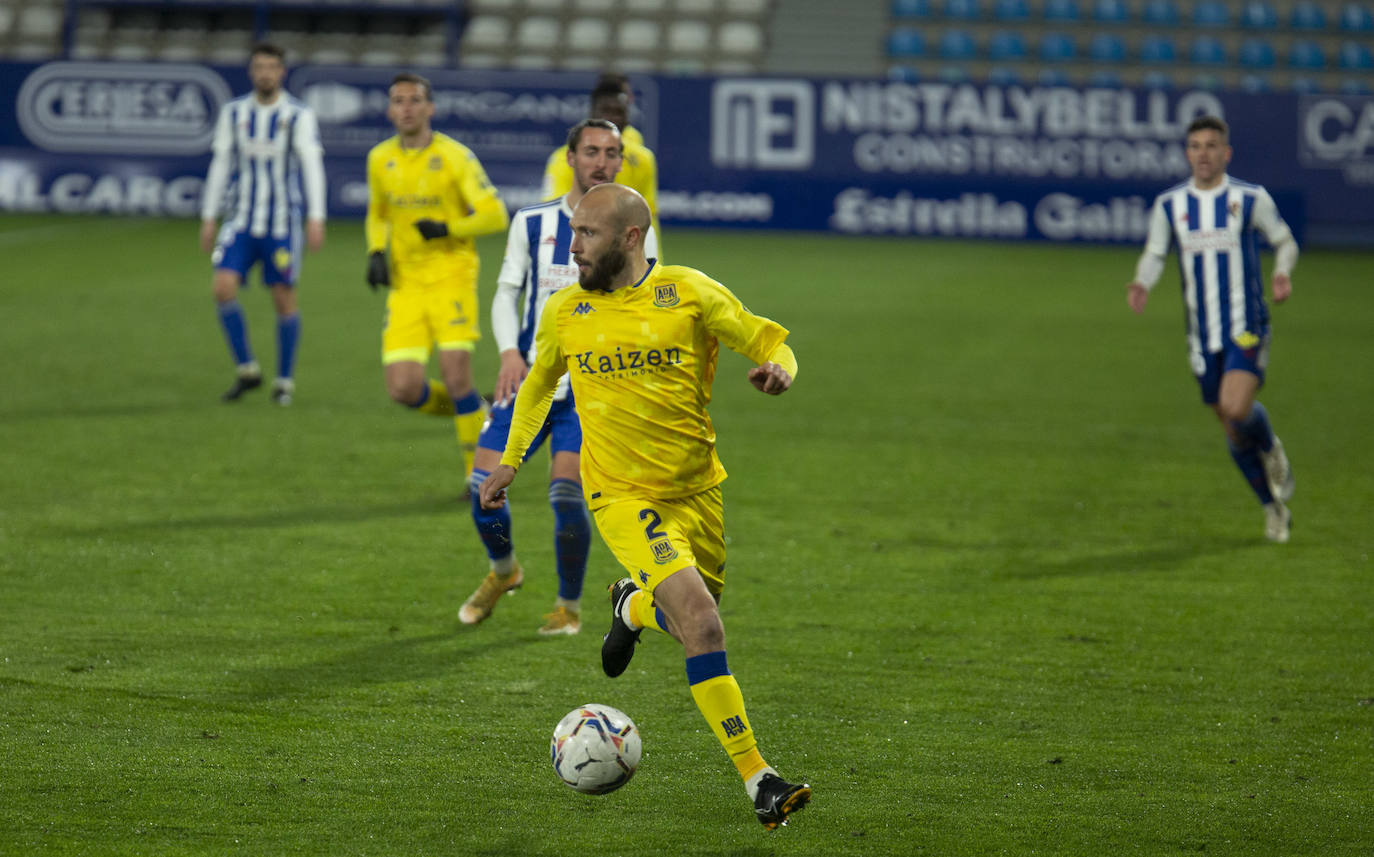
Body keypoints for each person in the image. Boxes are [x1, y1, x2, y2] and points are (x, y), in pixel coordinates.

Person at [479, 184, 811, 829]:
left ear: (631, 238)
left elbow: (768, 339)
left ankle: (630, 606)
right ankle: (760, 780)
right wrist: (512, 462)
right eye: (573, 232)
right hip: (624, 496)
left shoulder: (688, 292)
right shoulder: (564, 311)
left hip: (698, 488)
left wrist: (782, 370)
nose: (573, 246)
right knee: (704, 624)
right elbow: (538, 390)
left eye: (588, 235)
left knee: (692, 621)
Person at [459, 120, 660, 635]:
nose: (602, 161)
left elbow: (648, 308)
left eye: (612, 153)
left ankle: (568, 607)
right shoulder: (532, 222)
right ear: (569, 158)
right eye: (591, 151)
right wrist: (508, 352)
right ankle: (504, 573)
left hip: (593, 387)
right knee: (482, 490)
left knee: (567, 496)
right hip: (528, 378)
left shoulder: (637, 228)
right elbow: (507, 290)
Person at [1127, 115, 1298, 542]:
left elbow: (1285, 240)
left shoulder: (1249, 198)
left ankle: (1272, 446)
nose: (1203, 154)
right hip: (1202, 336)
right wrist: (1142, 281)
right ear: (1188, 153)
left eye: (1211, 146)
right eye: (1196, 146)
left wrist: (1282, 271)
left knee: (1237, 408)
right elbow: (1154, 252)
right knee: (1231, 427)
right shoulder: (1171, 205)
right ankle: (1272, 507)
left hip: (1246, 325)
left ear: (1226, 153)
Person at [365, 73, 510, 479]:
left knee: (456, 374)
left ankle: (475, 474)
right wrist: (375, 250)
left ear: (430, 108)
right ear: (390, 109)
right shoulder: (380, 158)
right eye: (398, 100)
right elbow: (378, 212)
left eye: (414, 100)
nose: (406, 108)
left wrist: (449, 228)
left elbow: (495, 214)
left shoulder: (455, 157)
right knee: (403, 389)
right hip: (406, 285)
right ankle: (476, 410)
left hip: (451, 278)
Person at [200, 42, 326, 406]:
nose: (265, 73)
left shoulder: (298, 115)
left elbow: (311, 165)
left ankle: (284, 381)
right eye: (259, 67)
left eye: (271, 67)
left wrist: (316, 217)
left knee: (283, 298)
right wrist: (209, 216)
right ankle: (248, 370)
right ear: (251, 72)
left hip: (282, 224)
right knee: (222, 287)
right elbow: (221, 164)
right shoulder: (234, 112)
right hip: (240, 220)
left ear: (281, 72)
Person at [541, 76, 660, 254]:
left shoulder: (642, 159)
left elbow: (648, 216)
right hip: (577, 251)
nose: (612, 119)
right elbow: (555, 213)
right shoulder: (563, 160)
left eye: (619, 112)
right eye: (605, 111)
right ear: (592, 113)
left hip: (627, 254)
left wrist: (652, 260)